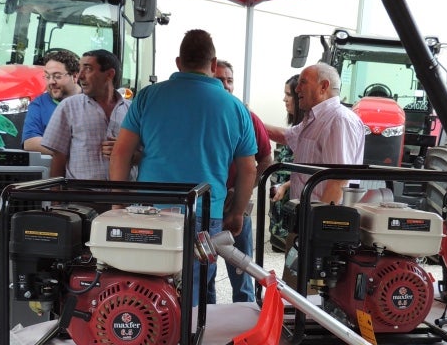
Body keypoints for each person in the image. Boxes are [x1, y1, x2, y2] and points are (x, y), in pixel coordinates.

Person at [109, 30, 257, 307]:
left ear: (178, 62)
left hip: (150, 212)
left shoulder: (148, 97)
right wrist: (236, 213)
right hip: (204, 214)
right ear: (213, 66)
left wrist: (118, 206)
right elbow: (249, 168)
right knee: (197, 291)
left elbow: (121, 154)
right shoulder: (235, 108)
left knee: (149, 288)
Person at [212, 59, 273, 302]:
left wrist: (241, 193)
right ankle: (207, 322)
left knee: (242, 269)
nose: (225, 85)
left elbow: (266, 160)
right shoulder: (199, 115)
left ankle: (245, 319)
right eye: (219, 79)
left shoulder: (246, 115)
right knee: (205, 270)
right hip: (207, 204)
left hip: (236, 206)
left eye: (229, 80)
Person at [265, 62, 365, 206]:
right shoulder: (314, 119)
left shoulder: (338, 120)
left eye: (303, 83)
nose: (297, 89)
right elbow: (285, 136)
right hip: (306, 214)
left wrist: (316, 223)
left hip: (319, 219)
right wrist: (248, 119)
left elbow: (338, 181)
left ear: (323, 86)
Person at [42, 49, 133, 179]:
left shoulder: (132, 110)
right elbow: (58, 158)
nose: (80, 77)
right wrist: (56, 198)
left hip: (123, 196)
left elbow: (146, 155)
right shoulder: (69, 106)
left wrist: (126, 152)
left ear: (109, 74)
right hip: (81, 196)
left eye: (88, 69)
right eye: (80, 70)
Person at [268, 74, 305, 252]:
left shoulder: (306, 130)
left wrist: (285, 186)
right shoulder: (297, 127)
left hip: (293, 205)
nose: (284, 99)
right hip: (282, 209)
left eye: (288, 94)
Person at [21, 49, 80, 151]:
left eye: (57, 76)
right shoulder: (39, 104)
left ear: (74, 76)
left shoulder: (93, 100)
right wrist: (74, 150)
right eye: (47, 77)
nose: (51, 82)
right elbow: (30, 142)